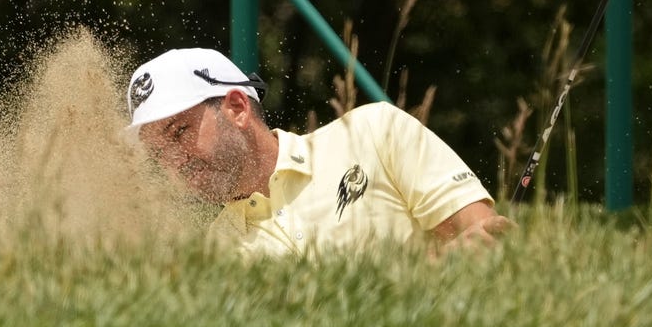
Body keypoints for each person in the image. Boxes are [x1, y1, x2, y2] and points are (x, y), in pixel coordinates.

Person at [126, 47, 513, 256]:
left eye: (179, 133)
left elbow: (488, 234)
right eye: (158, 154)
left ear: (237, 108)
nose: (174, 162)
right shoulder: (215, 253)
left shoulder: (375, 131)